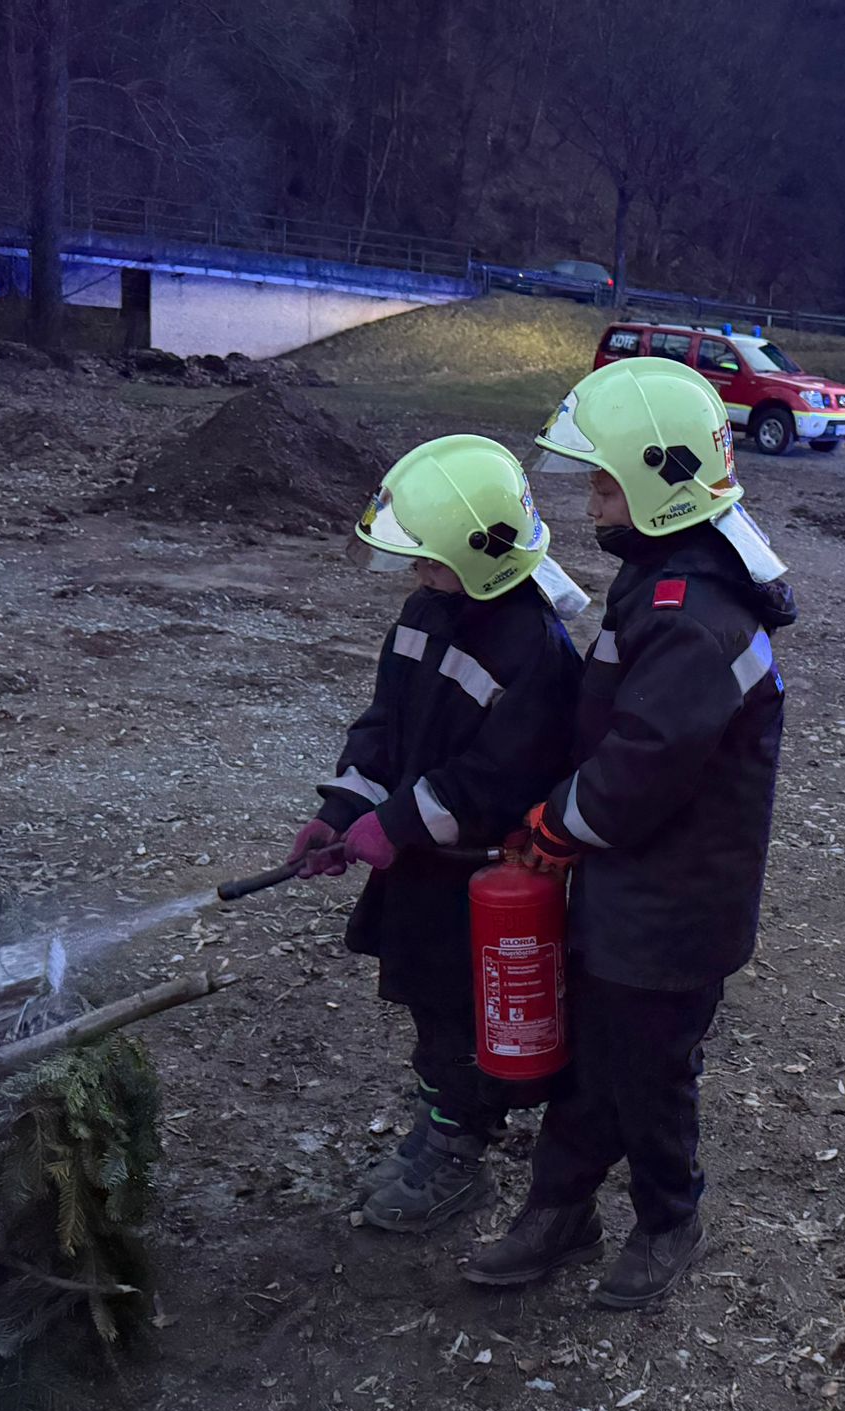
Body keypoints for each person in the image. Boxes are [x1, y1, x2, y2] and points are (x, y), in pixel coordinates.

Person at [461, 357, 795, 1309]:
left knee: (649, 1075)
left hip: (676, 907)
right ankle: (561, 1207)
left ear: (657, 483)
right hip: (634, 893)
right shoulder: (663, 581)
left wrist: (550, 826)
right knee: (591, 1057)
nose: (592, 500)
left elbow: (640, 766)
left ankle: (669, 1217)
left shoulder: (694, 618)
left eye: (605, 482)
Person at [288, 434, 584, 1234]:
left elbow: (496, 779)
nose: (415, 571)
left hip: (478, 883)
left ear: (481, 552)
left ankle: (458, 1152)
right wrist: (344, 810)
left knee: (462, 1013)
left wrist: (400, 822)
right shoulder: (425, 614)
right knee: (426, 1004)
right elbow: (386, 726)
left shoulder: (538, 653)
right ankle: (443, 1124)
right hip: (419, 869)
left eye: (428, 557)